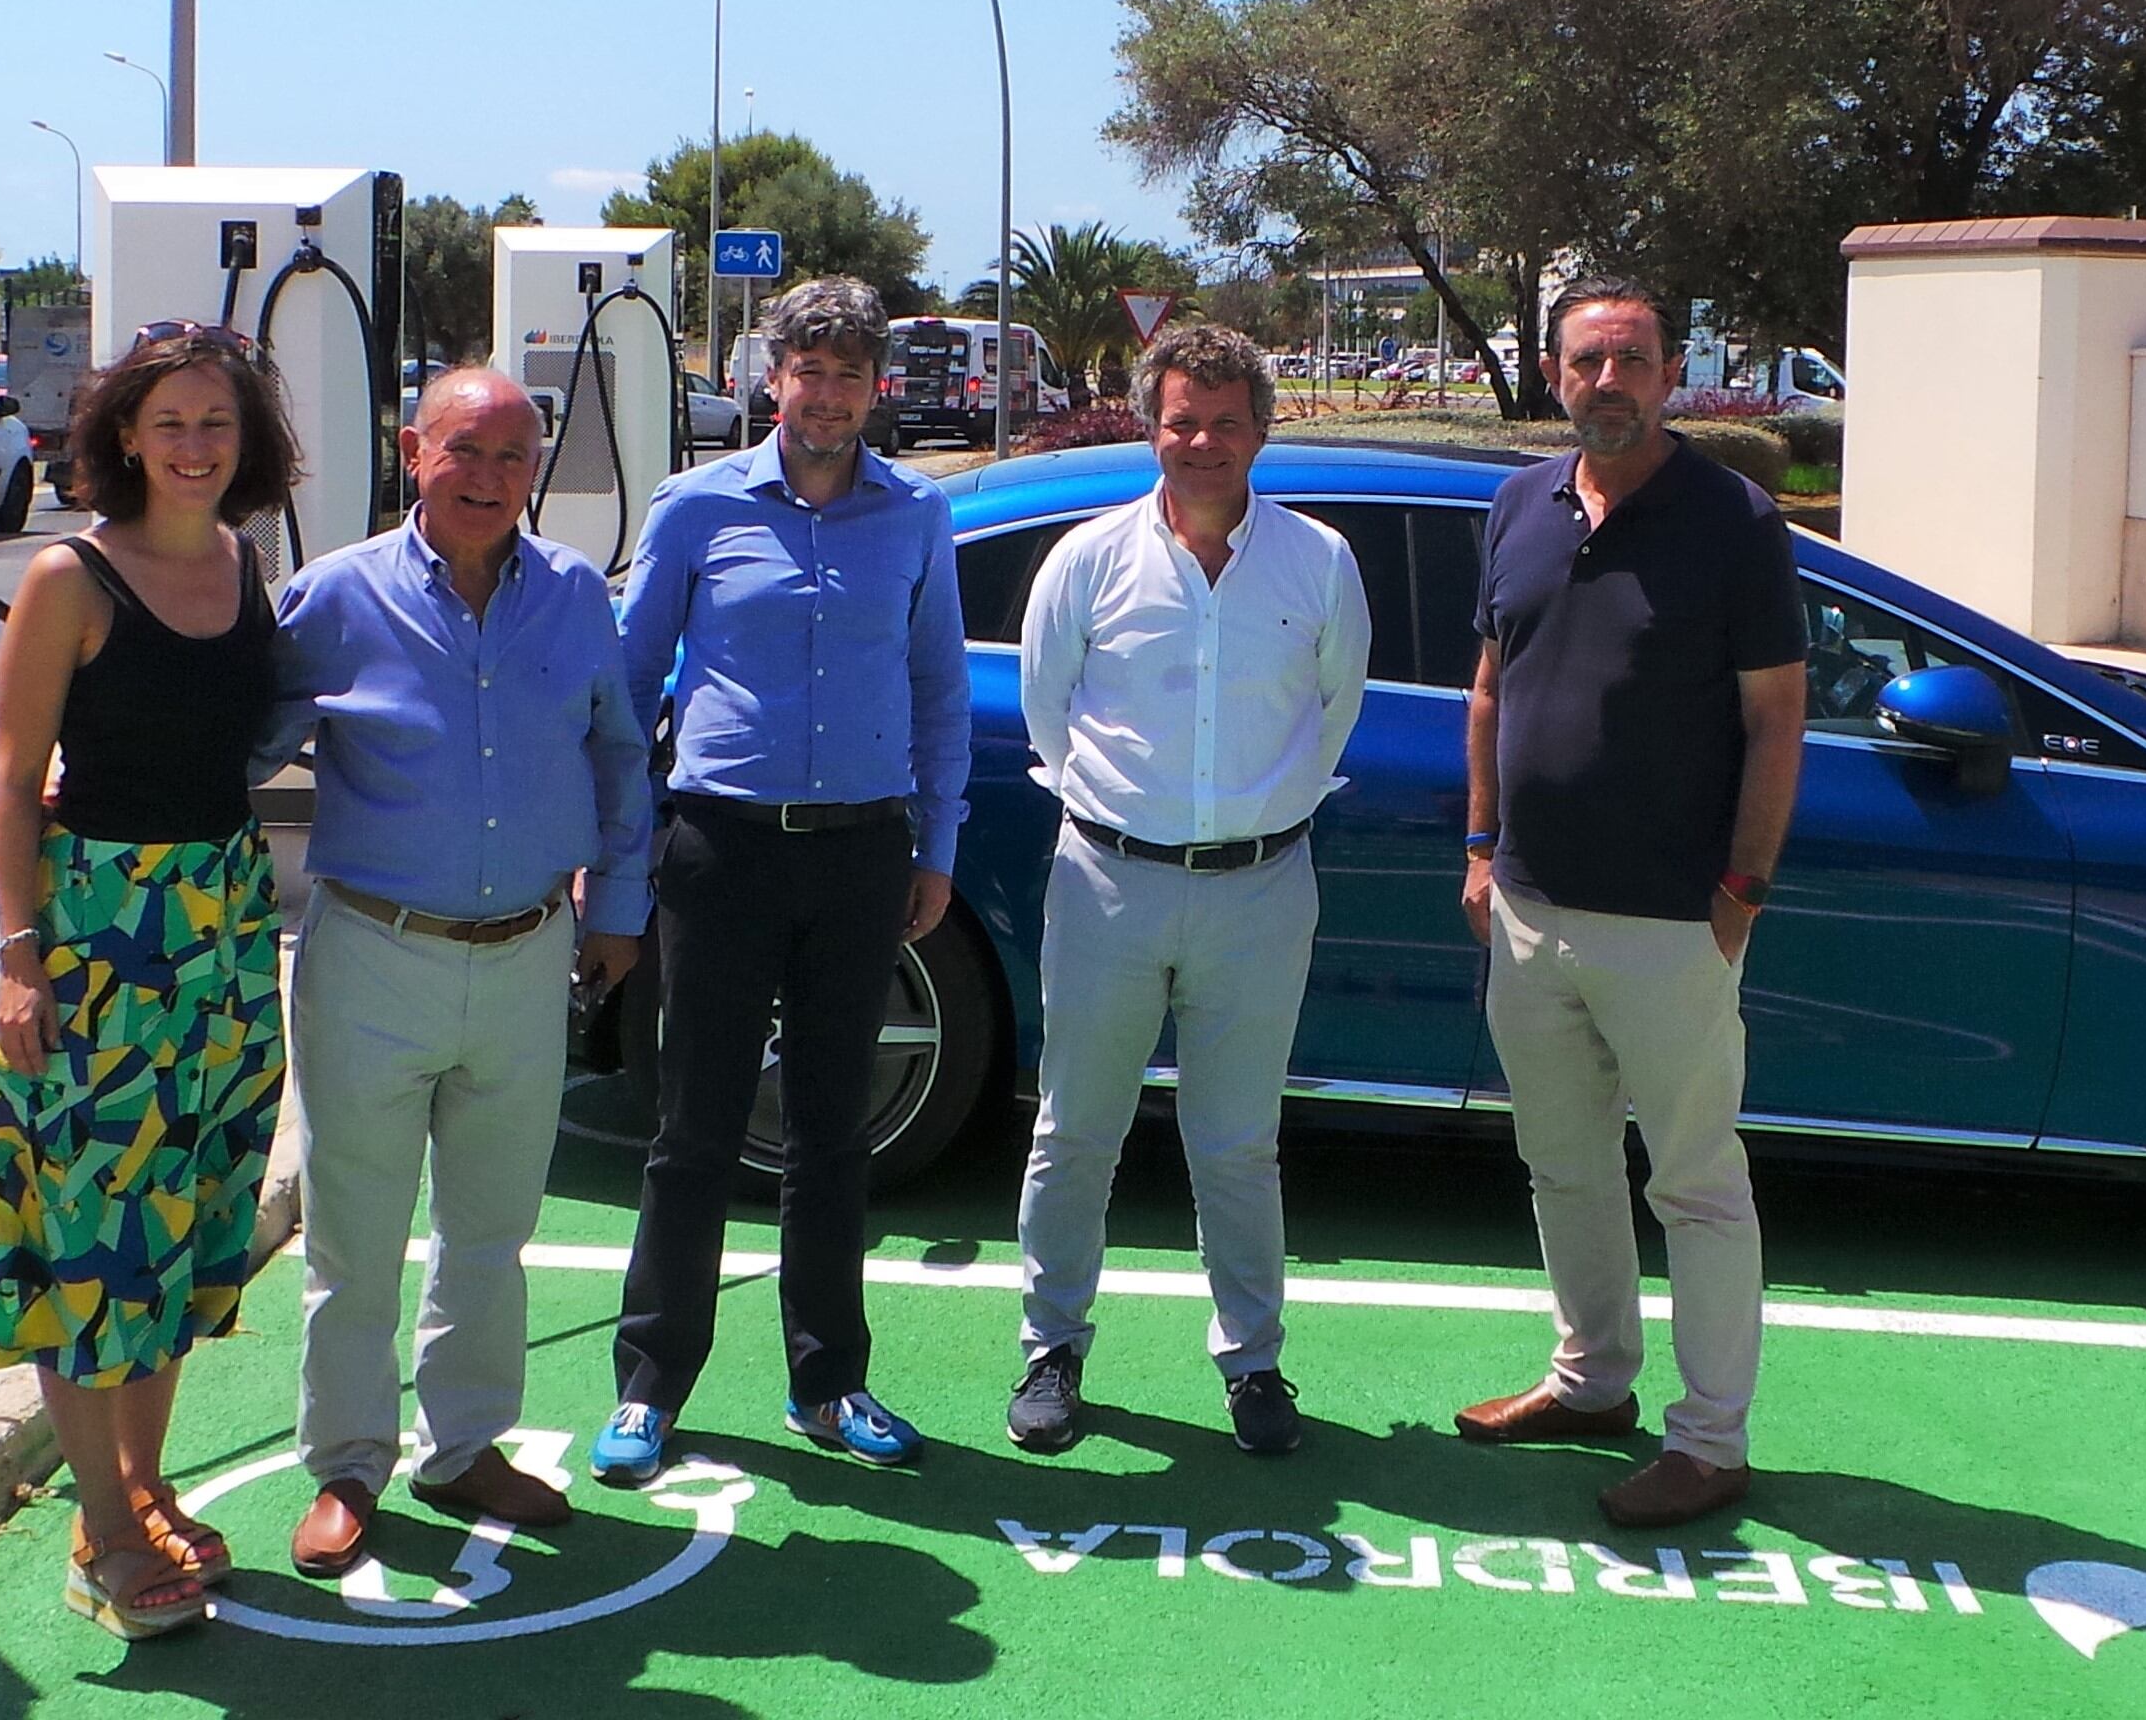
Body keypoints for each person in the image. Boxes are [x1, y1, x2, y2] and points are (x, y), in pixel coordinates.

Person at [261, 368, 648, 1580]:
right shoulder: (332, 599)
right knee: (355, 1232)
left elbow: (620, 761)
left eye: (513, 458)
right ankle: (345, 1463)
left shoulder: (577, 596)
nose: (488, 480)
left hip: (530, 954)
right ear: (413, 452)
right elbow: (236, 739)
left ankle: (465, 1445)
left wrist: (620, 913)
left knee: (492, 1227)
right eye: (464, 452)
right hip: (375, 953)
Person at [594, 276, 972, 1483]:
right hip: (722, 847)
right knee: (693, 1128)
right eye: (808, 372)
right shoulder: (696, 510)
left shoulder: (914, 516)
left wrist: (937, 848)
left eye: (849, 374)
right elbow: (626, 681)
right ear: (774, 380)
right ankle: (652, 1387)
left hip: (861, 852)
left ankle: (831, 1382)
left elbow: (939, 691)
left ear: (873, 388)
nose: (827, 394)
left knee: (829, 1133)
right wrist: (622, 853)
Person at [0, 327, 304, 1639]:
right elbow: (9, 785)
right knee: (91, 1234)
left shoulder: (242, 559)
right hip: (99, 934)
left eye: (215, 422)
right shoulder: (72, 578)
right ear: (120, 435)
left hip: (221, 924)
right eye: (168, 422)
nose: (193, 446)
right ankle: (100, 1527)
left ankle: (148, 1484)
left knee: (189, 1218)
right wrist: (15, 958)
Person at [1454, 279, 1804, 1529]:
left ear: (1669, 376)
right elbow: (1491, 687)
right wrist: (1485, 848)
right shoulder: (1517, 505)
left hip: (1673, 922)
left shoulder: (1734, 519)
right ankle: (1592, 1381)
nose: (1611, 381)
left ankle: (1711, 1443)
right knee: (1565, 1168)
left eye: (1634, 360)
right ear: (1556, 373)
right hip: (1532, 914)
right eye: (1589, 361)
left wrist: (1739, 892)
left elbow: (1777, 717)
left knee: (1697, 1186)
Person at [1004, 322, 1368, 1457]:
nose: (1201, 441)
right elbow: (1045, 710)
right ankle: (1051, 1348)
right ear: (1151, 425)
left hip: (1261, 891)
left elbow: (1333, 712)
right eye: (1181, 420)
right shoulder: (1088, 559)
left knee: (1238, 1141)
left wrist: (1251, 822)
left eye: (1224, 421)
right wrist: (1128, 818)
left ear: (1262, 429)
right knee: (1077, 1130)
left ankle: (1254, 1364)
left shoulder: (1319, 562)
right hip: (1108, 878)